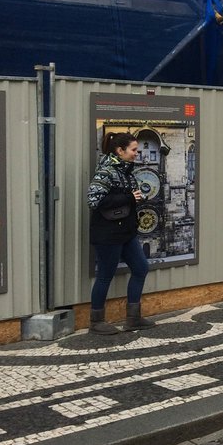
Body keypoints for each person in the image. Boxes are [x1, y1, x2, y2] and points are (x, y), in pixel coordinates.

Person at [86, 131, 155, 335]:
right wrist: (129, 198)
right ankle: (96, 321)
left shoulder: (125, 171)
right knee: (105, 276)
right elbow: (93, 200)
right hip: (108, 234)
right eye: (133, 150)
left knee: (141, 268)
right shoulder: (107, 171)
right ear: (120, 150)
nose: (137, 153)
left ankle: (133, 318)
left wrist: (135, 198)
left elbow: (128, 197)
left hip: (126, 232)